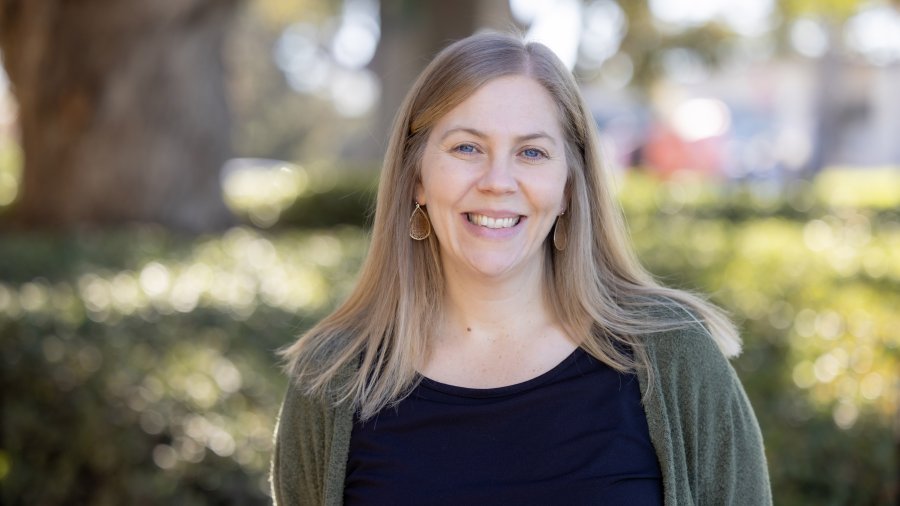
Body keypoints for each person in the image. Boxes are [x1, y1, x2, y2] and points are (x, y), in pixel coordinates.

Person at [271, 32, 771, 505]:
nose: (498, 181)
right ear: (416, 178)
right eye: (467, 147)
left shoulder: (673, 355)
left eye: (531, 152)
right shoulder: (332, 377)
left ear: (569, 188)